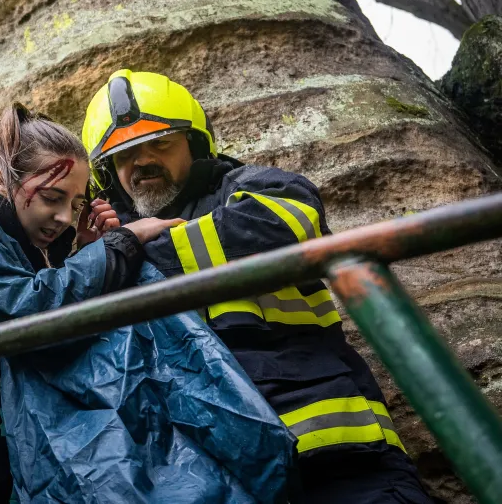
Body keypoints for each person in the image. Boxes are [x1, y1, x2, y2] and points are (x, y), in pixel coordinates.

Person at [0, 104, 297, 504]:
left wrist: (81, 251)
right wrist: (125, 242)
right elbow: (29, 310)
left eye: (77, 204)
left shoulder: (13, 243)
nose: (66, 217)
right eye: (52, 197)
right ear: (1, 180)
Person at [81, 69, 434, 504]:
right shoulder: (108, 242)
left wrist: (134, 256)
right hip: (216, 475)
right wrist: (109, 248)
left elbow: (292, 222)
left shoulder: (248, 187)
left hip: (337, 452)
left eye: (160, 143)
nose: (143, 161)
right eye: (125, 155)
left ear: (194, 144)